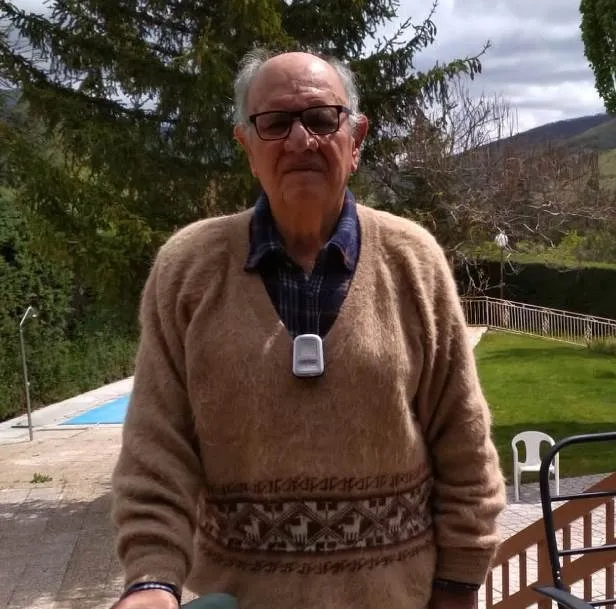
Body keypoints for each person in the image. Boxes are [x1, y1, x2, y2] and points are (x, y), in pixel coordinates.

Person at [109, 47, 507, 609]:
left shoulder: (413, 260)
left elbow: (463, 439)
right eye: (274, 123)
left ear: (357, 139)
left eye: (322, 119)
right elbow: (157, 447)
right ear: (246, 146)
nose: (300, 141)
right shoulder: (187, 269)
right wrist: (151, 581)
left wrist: (460, 583)